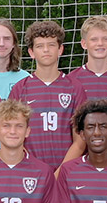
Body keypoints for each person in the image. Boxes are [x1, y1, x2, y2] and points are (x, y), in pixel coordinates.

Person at [8, 20, 87, 169]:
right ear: (31, 52)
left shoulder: (75, 88)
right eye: (39, 46)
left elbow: (80, 141)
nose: (46, 50)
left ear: (60, 49)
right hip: (30, 172)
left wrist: (61, 173)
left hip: (67, 172)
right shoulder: (20, 89)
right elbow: (14, 137)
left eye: (51, 45)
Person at [68, 16, 107, 102]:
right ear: (84, 44)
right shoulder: (71, 80)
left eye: (105, 39)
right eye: (94, 39)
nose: (100, 43)